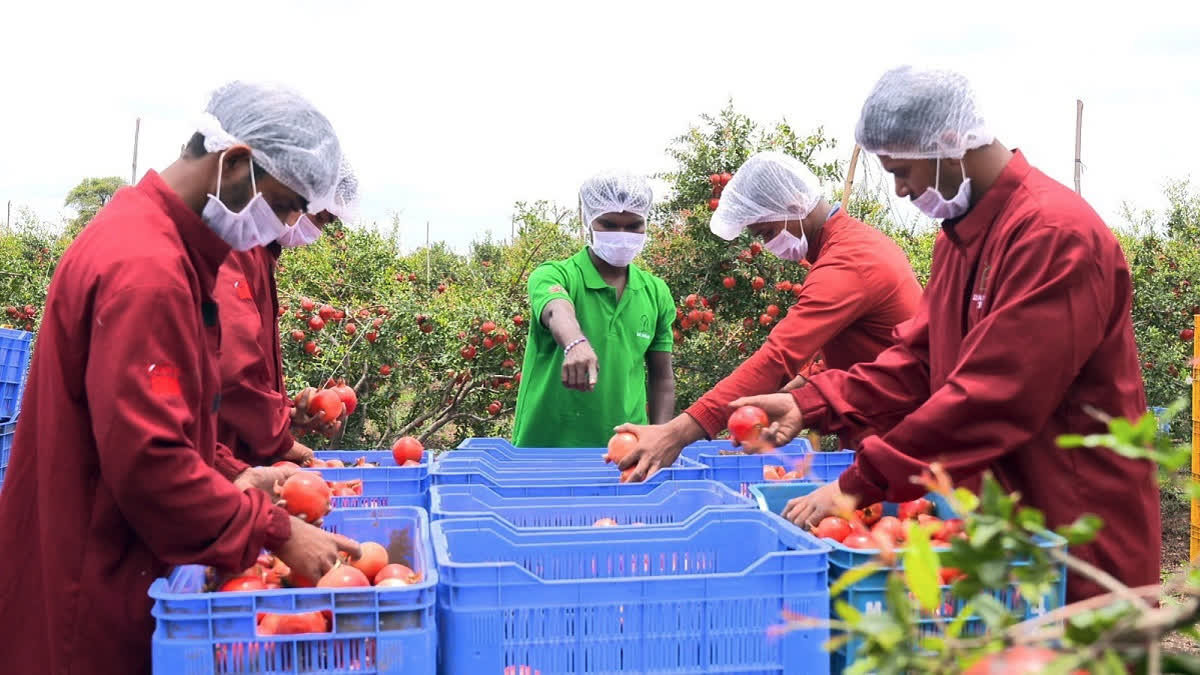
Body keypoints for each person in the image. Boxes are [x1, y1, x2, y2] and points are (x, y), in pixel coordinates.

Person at [729, 66, 1160, 602]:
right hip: (1004, 519)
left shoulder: (1053, 236)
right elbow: (918, 359)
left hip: (1076, 522)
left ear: (951, 145)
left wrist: (856, 482)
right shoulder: (959, 240)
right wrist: (815, 402)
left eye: (903, 169)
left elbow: (992, 396)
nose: (900, 189)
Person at [0, 81, 362, 674]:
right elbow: (150, 462)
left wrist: (234, 471)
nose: (290, 224)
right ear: (238, 162)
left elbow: (155, 419)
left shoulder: (158, 242)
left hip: (115, 560)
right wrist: (275, 530)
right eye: (290, 203)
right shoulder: (149, 270)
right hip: (91, 586)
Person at [615, 151, 922, 480]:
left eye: (765, 233)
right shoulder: (845, 248)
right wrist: (780, 400)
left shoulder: (849, 261)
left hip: (903, 438)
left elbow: (778, 356)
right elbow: (856, 351)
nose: (768, 244)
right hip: (882, 427)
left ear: (793, 206)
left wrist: (676, 434)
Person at [510, 170, 676, 447]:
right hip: (544, 450)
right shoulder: (556, 275)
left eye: (633, 226)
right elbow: (556, 309)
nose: (622, 235)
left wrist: (659, 440)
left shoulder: (655, 292)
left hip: (624, 450)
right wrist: (574, 342)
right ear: (587, 221)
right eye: (609, 224)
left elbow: (662, 378)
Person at [215, 157, 360, 469]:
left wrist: (287, 412)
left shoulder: (260, 252)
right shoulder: (232, 248)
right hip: (220, 458)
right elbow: (231, 370)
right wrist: (279, 438)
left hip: (236, 458)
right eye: (318, 216)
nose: (315, 229)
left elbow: (245, 368)